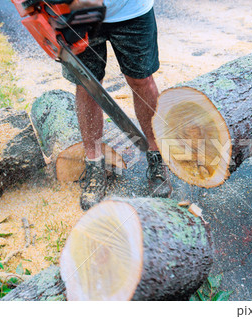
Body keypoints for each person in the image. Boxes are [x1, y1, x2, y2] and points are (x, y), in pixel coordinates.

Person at [63, 0, 172, 210]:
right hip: (77, 14)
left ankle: (156, 156)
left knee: (141, 80)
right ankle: (94, 163)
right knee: (87, 85)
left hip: (131, 11)